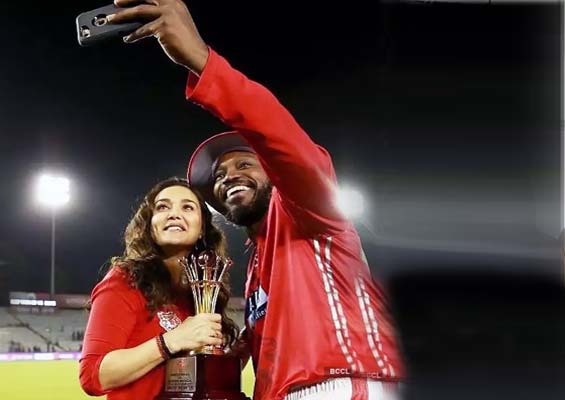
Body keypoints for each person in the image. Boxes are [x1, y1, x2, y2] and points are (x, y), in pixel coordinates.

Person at [108, 1, 405, 399]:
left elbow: (277, 133)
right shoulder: (257, 263)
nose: (229, 176)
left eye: (245, 164)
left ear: (275, 172)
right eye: (219, 176)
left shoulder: (311, 212)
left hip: (342, 385)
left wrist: (202, 61)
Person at [79, 177, 239, 399]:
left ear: (202, 228)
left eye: (187, 207)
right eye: (163, 207)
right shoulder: (126, 280)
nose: (174, 214)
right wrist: (172, 340)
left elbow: (203, 377)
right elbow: (93, 376)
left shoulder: (203, 294)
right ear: (150, 225)